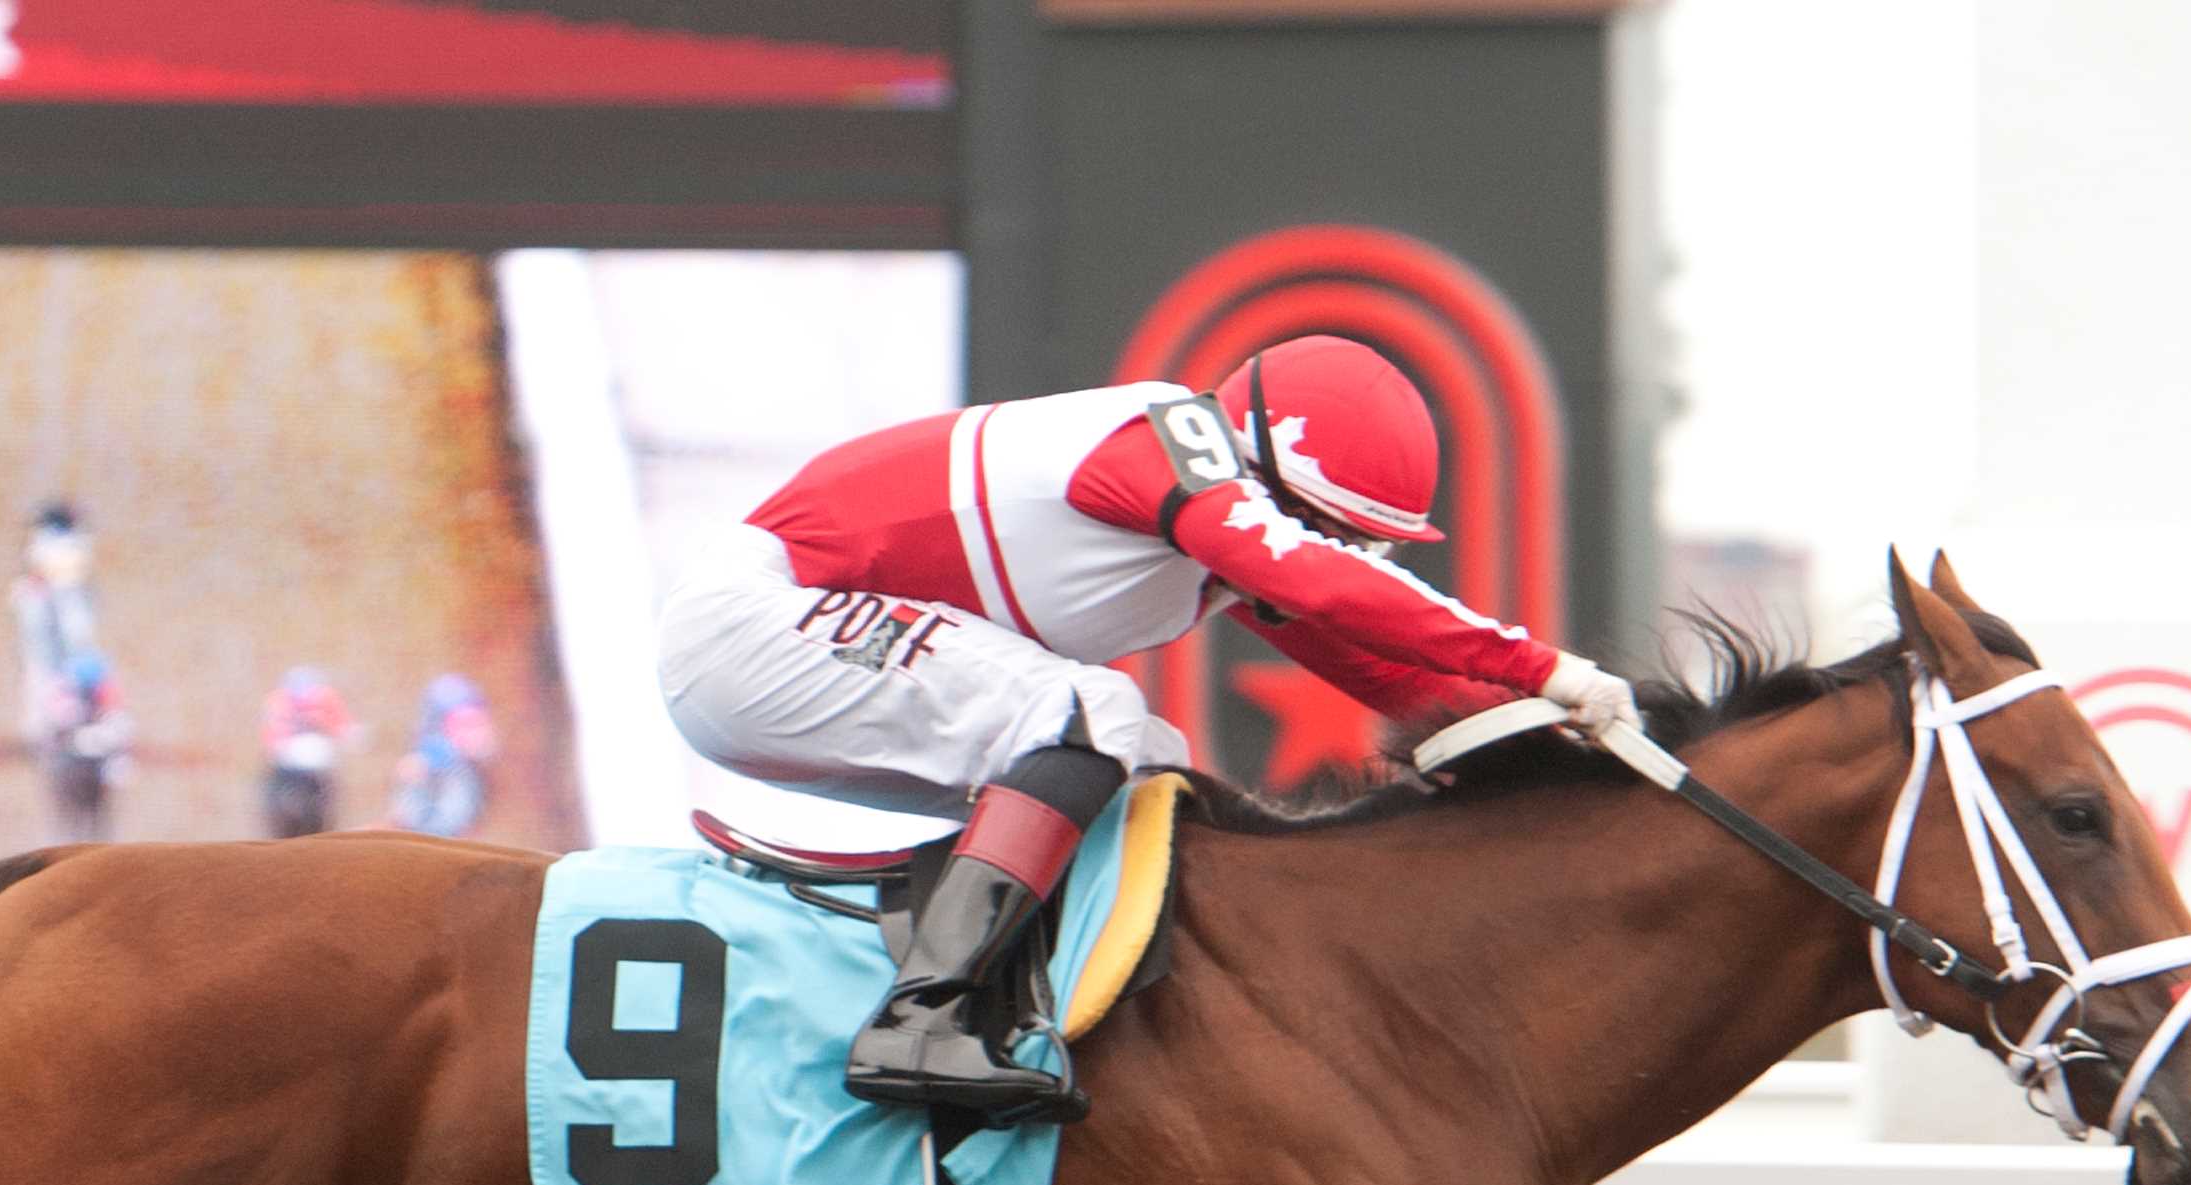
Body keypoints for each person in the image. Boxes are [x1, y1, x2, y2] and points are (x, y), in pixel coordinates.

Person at [657, 334, 1639, 1122]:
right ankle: (925, 1017)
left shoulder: (1215, 520)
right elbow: (1315, 580)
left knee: (1155, 778)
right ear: (1269, 473)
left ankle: (1051, 1014)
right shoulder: (1167, 440)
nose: (1337, 548)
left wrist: (1546, 763)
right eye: (1325, 524)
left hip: (787, 647)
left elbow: (1384, 673)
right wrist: (1543, 666)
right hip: (753, 623)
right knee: (1092, 716)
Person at [11, 501, 103, 746]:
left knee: (50, 666)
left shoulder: (54, 545)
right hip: (55, 609)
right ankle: (60, 724)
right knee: (55, 664)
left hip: (55, 608)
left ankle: (56, 724)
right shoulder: (71, 545)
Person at [42, 649, 135, 843]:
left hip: (93, 773)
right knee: (72, 827)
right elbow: (59, 730)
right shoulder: (64, 697)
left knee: (95, 826)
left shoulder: (106, 699)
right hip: (70, 772)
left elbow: (118, 732)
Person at [387, 673, 494, 838]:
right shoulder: (436, 750)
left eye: (475, 723)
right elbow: (410, 772)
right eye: (464, 724)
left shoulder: (464, 765)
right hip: (431, 827)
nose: (472, 731)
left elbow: (483, 745)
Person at [257, 666, 356, 838]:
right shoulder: (279, 702)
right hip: (288, 770)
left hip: (317, 771)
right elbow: (272, 733)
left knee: (315, 820)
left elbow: (342, 727)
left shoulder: (327, 700)